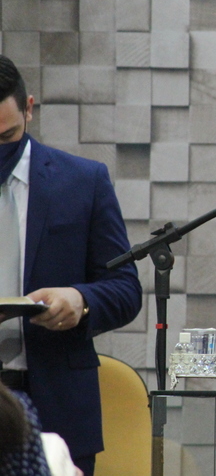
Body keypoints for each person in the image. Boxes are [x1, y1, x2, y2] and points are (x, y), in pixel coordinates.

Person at [0, 55, 142, 476]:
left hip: (55, 405)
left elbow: (125, 288)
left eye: (6, 136)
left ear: (29, 108)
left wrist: (81, 299)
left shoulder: (82, 181)